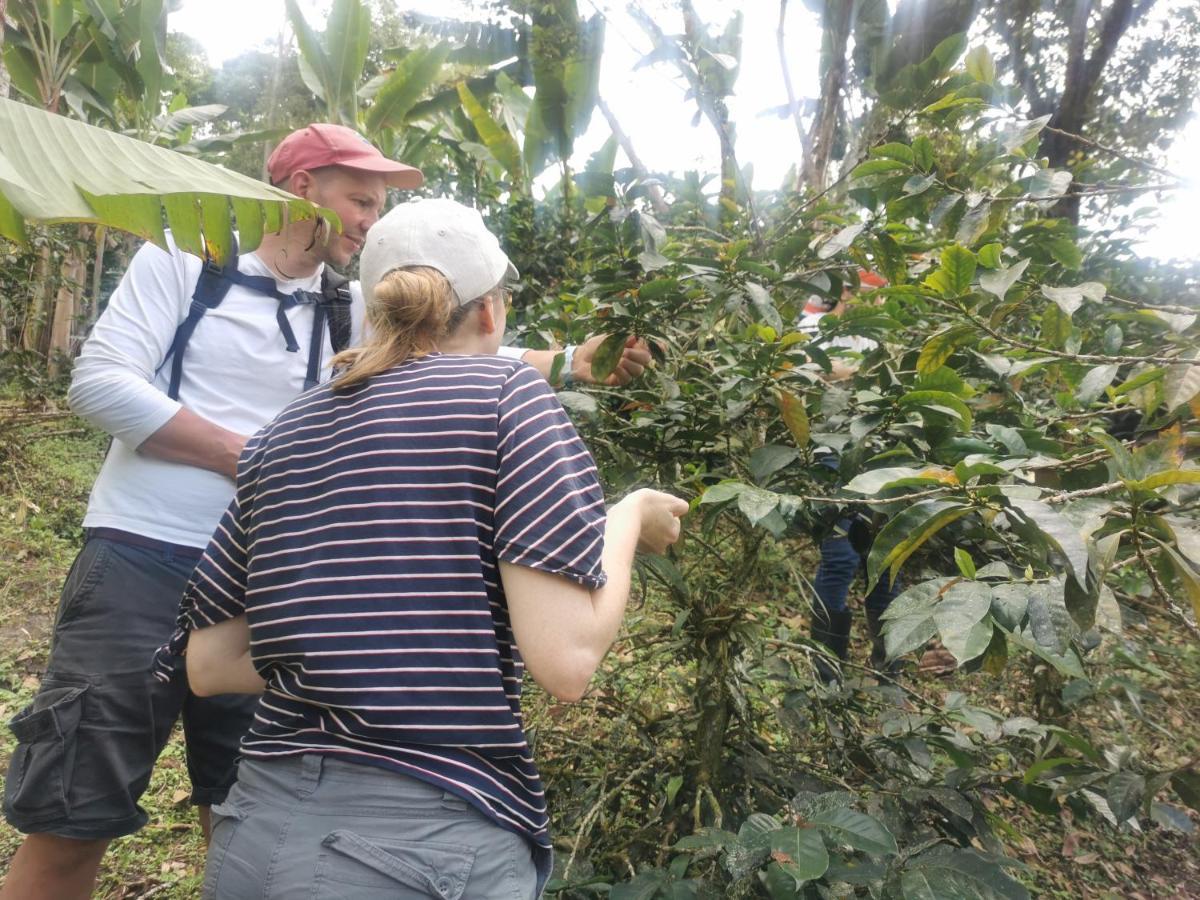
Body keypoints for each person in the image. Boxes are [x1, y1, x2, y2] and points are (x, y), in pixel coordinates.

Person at [0, 123, 648, 900]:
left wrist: (576, 358)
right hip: (147, 555)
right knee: (77, 805)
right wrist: (265, 463)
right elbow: (102, 382)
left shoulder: (347, 303)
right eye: (359, 199)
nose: (372, 219)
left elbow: (444, 349)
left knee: (239, 794)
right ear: (300, 187)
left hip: (274, 585)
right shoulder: (186, 258)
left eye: (380, 206)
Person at [151, 197, 688, 899]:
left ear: (373, 312)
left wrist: (356, 648)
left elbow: (211, 662)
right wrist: (629, 514)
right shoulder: (505, 396)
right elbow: (566, 661)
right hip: (420, 843)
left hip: (254, 835)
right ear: (492, 311)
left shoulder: (285, 430)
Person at [798, 271, 902, 678]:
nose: (877, 303)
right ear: (845, 293)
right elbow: (805, 367)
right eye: (870, 295)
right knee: (840, 557)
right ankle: (827, 672)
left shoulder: (874, 336)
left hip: (877, 455)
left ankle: (889, 669)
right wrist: (860, 374)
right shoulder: (814, 324)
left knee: (886, 560)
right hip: (830, 454)